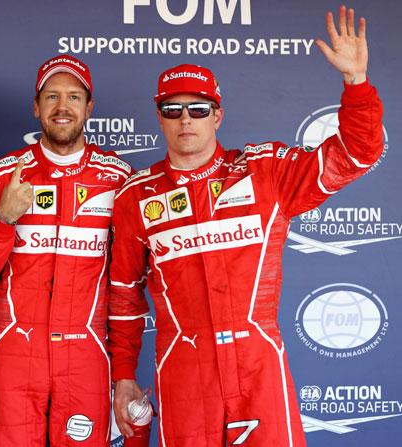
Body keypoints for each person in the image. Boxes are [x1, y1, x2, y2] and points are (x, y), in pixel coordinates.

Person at [108, 6, 383, 447]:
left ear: (217, 116)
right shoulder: (135, 196)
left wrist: (356, 84)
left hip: (259, 364)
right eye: (172, 108)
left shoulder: (264, 172)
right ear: (158, 115)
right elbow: (123, 295)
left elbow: (356, 155)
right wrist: (123, 374)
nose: (185, 120)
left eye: (198, 109)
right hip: (184, 370)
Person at [0, 54, 133, 446]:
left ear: (89, 107)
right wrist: (3, 220)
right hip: (13, 347)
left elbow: (127, 283)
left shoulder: (119, 178)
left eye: (74, 97)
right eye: (52, 97)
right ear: (36, 106)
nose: (63, 107)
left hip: (86, 350)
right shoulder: (3, 174)